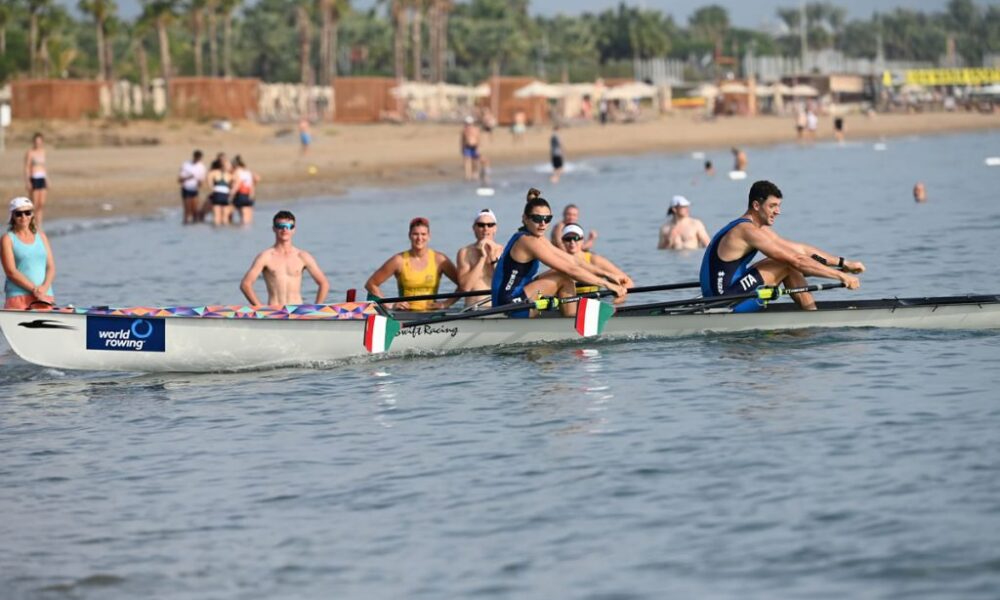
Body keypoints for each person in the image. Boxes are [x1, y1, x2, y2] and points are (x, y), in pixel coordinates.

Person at [699, 180, 863, 313]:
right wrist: (841, 277)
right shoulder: (747, 231)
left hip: (724, 293)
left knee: (786, 259)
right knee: (788, 263)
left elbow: (801, 251)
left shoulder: (755, 228)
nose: (778, 211)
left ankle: (811, 314)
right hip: (724, 301)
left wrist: (843, 264)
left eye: (779, 205)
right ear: (756, 206)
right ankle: (813, 317)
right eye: (772, 206)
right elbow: (798, 260)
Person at [492, 190, 626, 318]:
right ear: (526, 219)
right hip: (509, 306)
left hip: (512, 297)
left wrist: (609, 275)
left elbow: (573, 261)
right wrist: (608, 285)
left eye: (547, 218)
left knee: (558, 274)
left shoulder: (535, 237)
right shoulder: (528, 241)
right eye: (537, 218)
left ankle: (568, 315)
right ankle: (570, 321)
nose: (543, 223)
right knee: (563, 277)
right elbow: (571, 269)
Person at [365, 217, 460, 312]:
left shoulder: (439, 259)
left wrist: (446, 304)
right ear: (409, 235)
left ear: (429, 236)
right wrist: (389, 305)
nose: (419, 238)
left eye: (423, 234)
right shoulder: (399, 260)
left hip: (432, 313)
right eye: (415, 234)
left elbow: (463, 285)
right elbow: (371, 284)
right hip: (405, 314)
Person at [240, 210, 329, 307]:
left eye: (289, 226)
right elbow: (246, 284)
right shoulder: (265, 257)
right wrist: (260, 309)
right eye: (280, 226)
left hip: (298, 311)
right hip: (276, 312)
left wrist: (316, 308)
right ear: (274, 229)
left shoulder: (302, 256)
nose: (285, 230)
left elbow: (324, 283)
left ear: (294, 229)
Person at [2, 197, 55, 310]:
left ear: (32, 214)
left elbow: (50, 267)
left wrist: (43, 288)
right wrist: (34, 290)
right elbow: (11, 272)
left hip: (44, 295)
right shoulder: (7, 239)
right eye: (19, 214)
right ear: (12, 216)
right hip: (19, 296)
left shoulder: (42, 236)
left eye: (27, 213)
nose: (24, 217)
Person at [561, 223, 633, 294]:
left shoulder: (595, 260)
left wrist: (617, 302)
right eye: (568, 239)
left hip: (592, 301)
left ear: (582, 240)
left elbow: (628, 282)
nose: (572, 242)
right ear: (563, 241)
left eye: (576, 238)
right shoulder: (558, 261)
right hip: (568, 301)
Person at [455, 209, 503, 308]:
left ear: (495, 228)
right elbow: (465, 288)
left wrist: (492, 257)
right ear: (474, 228)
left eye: (490, 225)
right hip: (472, 310)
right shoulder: (464, 252)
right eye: (481, 225)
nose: (485, 228)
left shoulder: (504, 251)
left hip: (496, 309)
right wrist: (482, 258)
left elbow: (504, 283)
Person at [24, 133, 49, 229]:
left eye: (40, 142)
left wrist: (47, 179)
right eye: (36, 141)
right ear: (33, 142)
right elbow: (26, 167)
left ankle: (39, 225)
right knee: (34, 204)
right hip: (34, 178)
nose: (38, 143)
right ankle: (31, 224)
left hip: (42, 178)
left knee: (41, 204)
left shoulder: (43, 152)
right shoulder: (30, 152)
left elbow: (44, 166)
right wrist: (28, 181)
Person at [230, 155, 260, 226]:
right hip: (249, 195)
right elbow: (257, 178)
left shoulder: (237, 172)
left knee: (242, 216)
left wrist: (231, 194)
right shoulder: (248, 172)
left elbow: (237, 184)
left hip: (241, 194)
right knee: (249, 217)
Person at [178, 149, 206, 225]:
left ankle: (194, 226)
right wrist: (189, 177)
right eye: (196, 158)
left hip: (194, 189)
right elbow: (180, 180)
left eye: (199, 159)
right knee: (187, 210)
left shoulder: (201, 166)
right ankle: (185, 223)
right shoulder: (186, 164)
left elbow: (201, 181)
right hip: (186, 188)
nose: (198, 160)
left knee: (195, 210)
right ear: (194, 157)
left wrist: (199, 183)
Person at [207, 156, 233, 226]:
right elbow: (232, 185)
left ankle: (217, 232)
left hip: (218, 194)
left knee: (218, 215)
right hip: (224, 195)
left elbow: (210, 184)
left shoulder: (213, 173)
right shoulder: (229, 175)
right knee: (223, 216)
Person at [460, 116, 481, 181]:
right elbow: (462, 140)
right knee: (467, 161)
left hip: (474, 146)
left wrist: (478, 148)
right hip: (467, 147)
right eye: (467, 124)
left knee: (475, 161)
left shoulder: (476, 129)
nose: (468, 125)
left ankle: (475, 173)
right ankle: (467, 175)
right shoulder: (464, 130)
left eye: (469, 124)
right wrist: (462, 148)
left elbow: (478, 138)